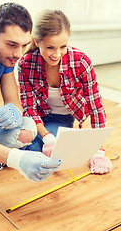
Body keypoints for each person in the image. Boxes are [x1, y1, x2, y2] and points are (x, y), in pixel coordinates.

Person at [0, 3, 61, 185]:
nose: (18, 54)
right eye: (12, 45)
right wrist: (18, 160)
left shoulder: (5, 57)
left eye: (24, 45)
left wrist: (14, 111)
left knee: (27, 127)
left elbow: (14, 101)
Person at [18, 9, 112, 174]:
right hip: (35, 118)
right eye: (50, 47)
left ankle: (66, 139)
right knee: (21, 147)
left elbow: (95, 106)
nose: (57, 54)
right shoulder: (25, 64)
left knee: (38, 153)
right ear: (37, 42)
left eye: (63, 46)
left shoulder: (81, 62)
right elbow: (29, 108)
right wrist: (47, 137)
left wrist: (99, 151)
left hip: (61, 119)